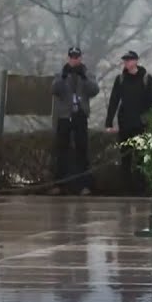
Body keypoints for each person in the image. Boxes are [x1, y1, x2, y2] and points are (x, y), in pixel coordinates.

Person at [104, 50, 152, 195]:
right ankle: (126, 189)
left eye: (129, 60)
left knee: (141, 158)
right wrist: (109, 122)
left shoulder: (146, 78)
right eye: (125, 60)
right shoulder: (120, 79)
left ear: (135, 61)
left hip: (141, 125)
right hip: (125, 124)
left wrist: (150, 120)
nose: (126, 63)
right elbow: (114, 101)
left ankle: (141, 188)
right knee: (125, 158)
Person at [50, 46, 100, 195]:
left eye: (76, 57)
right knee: (61, 149)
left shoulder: (87, 73)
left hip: (80, 114)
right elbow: (54, 90)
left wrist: (84, 77)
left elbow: (94, 90)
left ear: (80, 58)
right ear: (68, 58)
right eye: (72, 57)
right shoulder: (61, 74)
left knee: (82, 150)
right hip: (65, 116)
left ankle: (84, 185)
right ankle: (59, 184)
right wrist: (64, 77)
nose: (74, 60)